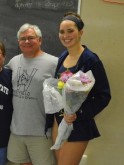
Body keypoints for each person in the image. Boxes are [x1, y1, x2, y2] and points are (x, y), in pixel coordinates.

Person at [0, 23, 57, 165]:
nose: (27, 41)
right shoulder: (14, 62)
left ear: (40, 40)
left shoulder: (54, 63)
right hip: (16, 131)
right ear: (18, 43)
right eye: (23, 39)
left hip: (41, 132)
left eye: (31, 38)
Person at [45, 12, 111, 165]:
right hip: (58, 122)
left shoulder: (90, 60)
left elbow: (103, 96)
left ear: (81, 32)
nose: (65, 35)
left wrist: (78, 114)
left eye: (70, 31)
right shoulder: (62, 56)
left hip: (77, 125)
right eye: (62, 32)